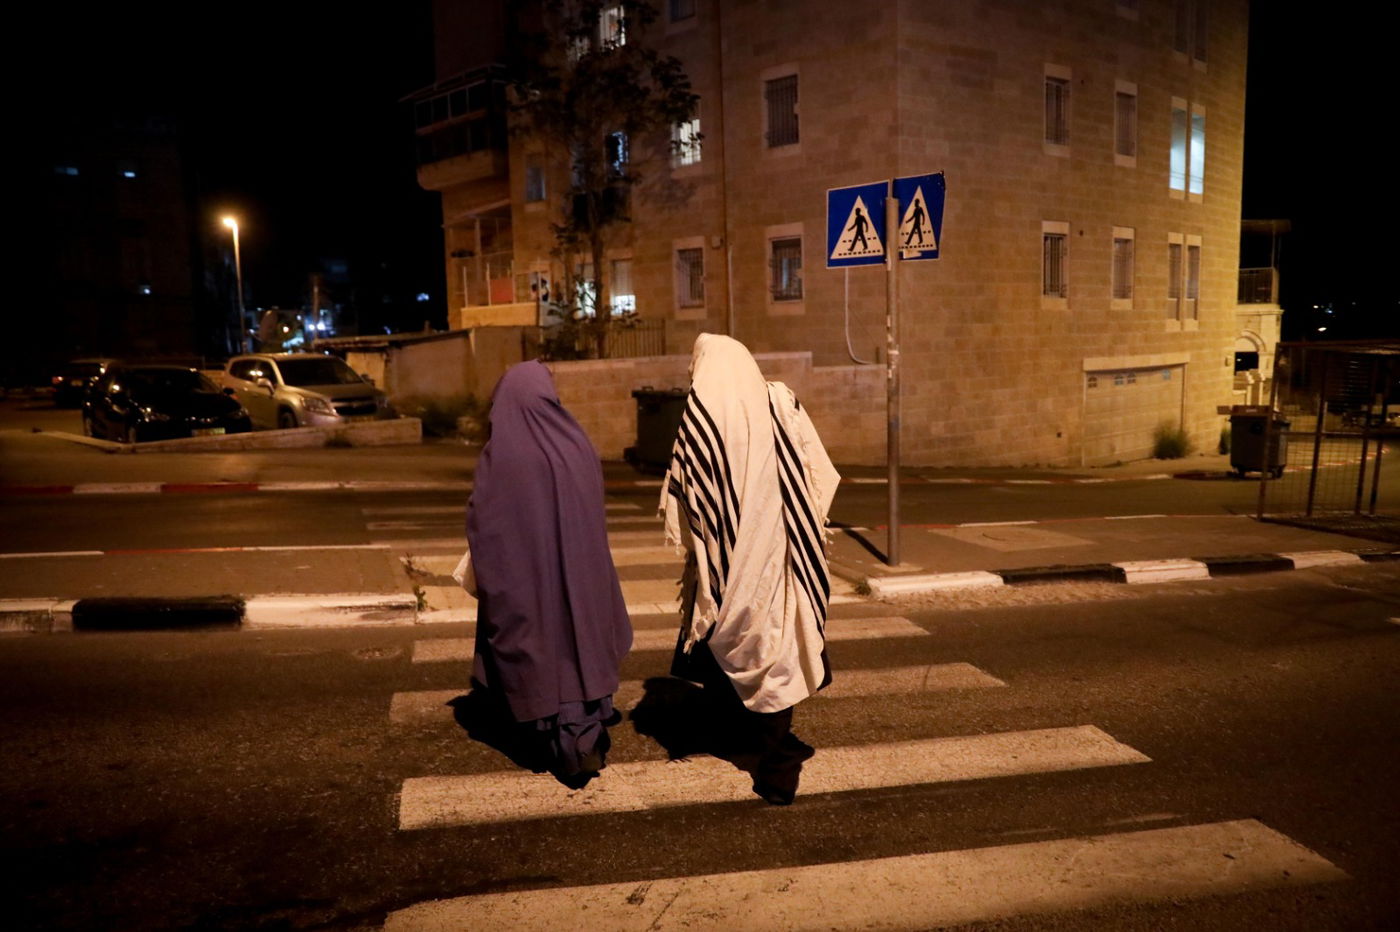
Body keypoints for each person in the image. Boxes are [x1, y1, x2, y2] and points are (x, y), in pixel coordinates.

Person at [659, 334, 840, 804]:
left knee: (732, 636)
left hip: (727, 560)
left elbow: (687, 495)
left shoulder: (701, 415)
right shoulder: (781, 401)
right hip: (784, 555)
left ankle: (775, 766)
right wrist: (796, 522)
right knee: (777, 648)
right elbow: (821, 472)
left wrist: (711, 545)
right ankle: (764, 751)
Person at [462, 360, 632, 788]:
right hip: (581, 575)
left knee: (536, 649)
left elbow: (484, 521)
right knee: (581, 646)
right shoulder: (577, 442)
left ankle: (556, 738)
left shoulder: (503, 452)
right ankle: (583, 736)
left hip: (529, 581)